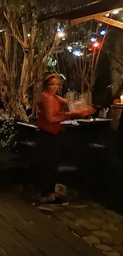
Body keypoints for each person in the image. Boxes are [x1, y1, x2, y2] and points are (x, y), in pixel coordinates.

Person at [36, 73, 93, 202]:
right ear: (46, 85)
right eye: (52, 84)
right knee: (49, 165)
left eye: (57, 84)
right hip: (48, 133)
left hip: (51, 133)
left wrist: (80, 107)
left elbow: (68, 102)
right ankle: (47, 195)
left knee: (51, 164)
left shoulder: (52, 96)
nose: (55, 87)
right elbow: (51, 118)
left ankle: (49, 193)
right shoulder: (47, 98)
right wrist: (71, 115)